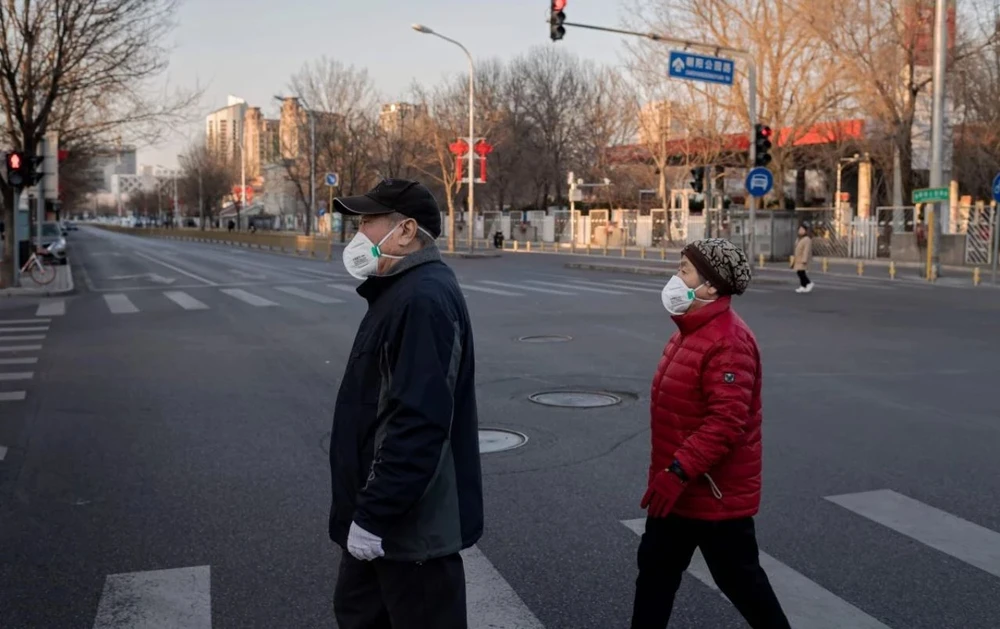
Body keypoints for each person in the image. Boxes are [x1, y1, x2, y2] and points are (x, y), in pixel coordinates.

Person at [328, 178, 483, 629]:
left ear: (407, 231)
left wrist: (375, 514)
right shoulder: (399, 290)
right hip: (384, 522)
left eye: (368, 222)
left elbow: (418, 422)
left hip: (410, 531)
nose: (358, 235)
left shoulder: (423, 298)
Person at [631, 238, 790, 629]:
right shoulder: (689, 330)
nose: (675, 277)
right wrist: (671, 475)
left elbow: (726, 422)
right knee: (654, 574)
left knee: (742, 583)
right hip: (676, 490)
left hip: (712, 495)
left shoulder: (729, 341)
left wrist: (679, 471)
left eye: (684, 270)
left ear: (712, 286)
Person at [793, 223, 814, 293]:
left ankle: (809, 283)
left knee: (801, 273)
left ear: (805, 231)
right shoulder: (799, 238)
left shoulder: (807, 239)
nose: (800, 231)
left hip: (802, 259)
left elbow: (806, 250)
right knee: (800, 272)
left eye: (802, 229)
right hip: (798, 258)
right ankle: (803, 286)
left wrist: (804, 259)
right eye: (799, 229)